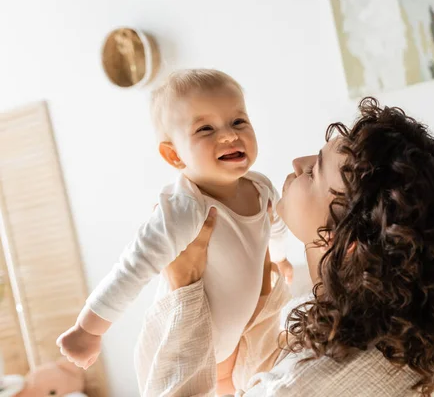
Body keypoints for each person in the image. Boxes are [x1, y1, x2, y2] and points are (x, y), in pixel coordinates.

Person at [136, 97, 434, 396]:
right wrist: (261, 296)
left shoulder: (307, 385)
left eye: (314, 171)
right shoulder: (431, 352)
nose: (297, 163)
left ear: (349, 240)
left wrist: (182, 288)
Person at [56, 69, 294, 394]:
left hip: (237, 336)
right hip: (192, 340)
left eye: (239, 122)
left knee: (235, 386)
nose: (229, 136)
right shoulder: (185, 208)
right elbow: (133, 268)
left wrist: (281, 259)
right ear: (173, 154)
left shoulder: (261, 185)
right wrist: (89, 329)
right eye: (205, 128)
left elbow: (274, 225)